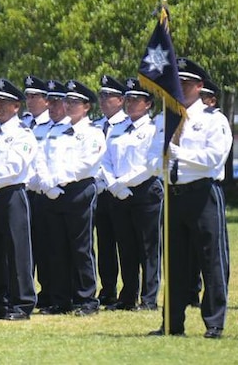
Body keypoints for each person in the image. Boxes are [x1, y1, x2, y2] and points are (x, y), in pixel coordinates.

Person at [147, 58, 231, 339]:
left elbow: (213, 159)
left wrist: (178, 154)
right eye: (176, 82)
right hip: (173, 195)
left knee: (211, 260)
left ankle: (214, 322)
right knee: (174, 262)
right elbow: (150, 157)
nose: (179, 87)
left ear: (199, 86)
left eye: (185, 83)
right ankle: (172, 322)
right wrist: (161, 161)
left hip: (202, 194)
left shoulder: (212, 120)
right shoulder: (165, 119)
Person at [0, 78, 44, 321]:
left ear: (17, 107)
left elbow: (13, 168)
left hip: (10, 194)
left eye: (5, 102)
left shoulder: (23, 134)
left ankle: (22, 304)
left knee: (17, 251)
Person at [39, 79, 105, 316]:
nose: (68, 106)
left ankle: (86, 299)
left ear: (86, 106)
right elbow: (41, 158)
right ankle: (60, 299)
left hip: (78, 191)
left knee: (81, 247)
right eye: (66, 101)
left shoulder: (93, 133)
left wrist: (57, 178)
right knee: (56, 247)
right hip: (53, 193)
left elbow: (87, 164)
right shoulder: (55, 131)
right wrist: (47, 183)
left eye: (74, 102)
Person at [102, 78, 160, 311]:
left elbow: (151, 164)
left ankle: (149, 298)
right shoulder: (117, 129)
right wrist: (113, 184)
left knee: (148, 248)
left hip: (145, 192)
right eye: (128, 99)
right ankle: (128, 297)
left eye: (136, 99)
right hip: (118, 194)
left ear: (148, 104)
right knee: (126, 248)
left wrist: (123, 182)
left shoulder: (153, 129)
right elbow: (105, 159)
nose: (130, 103)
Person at [93, 75, 128, 307]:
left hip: (120, 190)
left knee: (125, 244)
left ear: (121, 99)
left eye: (109, 96)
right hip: (98, 191)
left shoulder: (128, 124)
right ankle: (107, 290)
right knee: (103, 244)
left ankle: (131, 290)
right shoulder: (95, 126)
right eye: (101, 96)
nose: (104, 100)